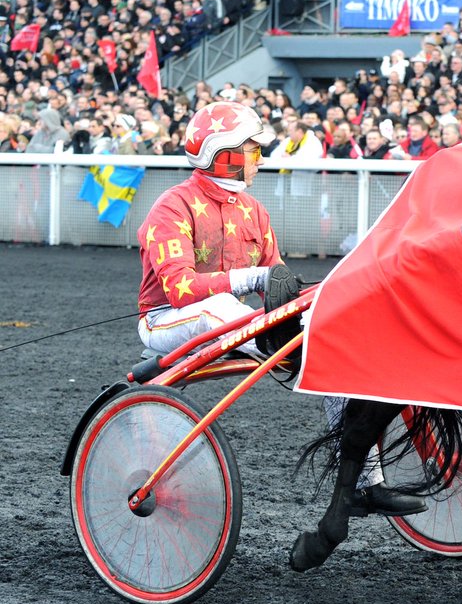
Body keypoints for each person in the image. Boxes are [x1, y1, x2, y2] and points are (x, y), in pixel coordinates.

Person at [136, 101, 421, 517]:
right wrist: (251, 280)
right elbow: (181, 289)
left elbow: (281, 285)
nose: (261, 159)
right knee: (220, 307)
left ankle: (365, 485)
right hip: (166, 321)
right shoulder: (172, 206)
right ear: (223, 155)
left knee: (328, 339)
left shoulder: (253, 210)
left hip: (234, 324)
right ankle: (277, 345)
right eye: (253, 150)